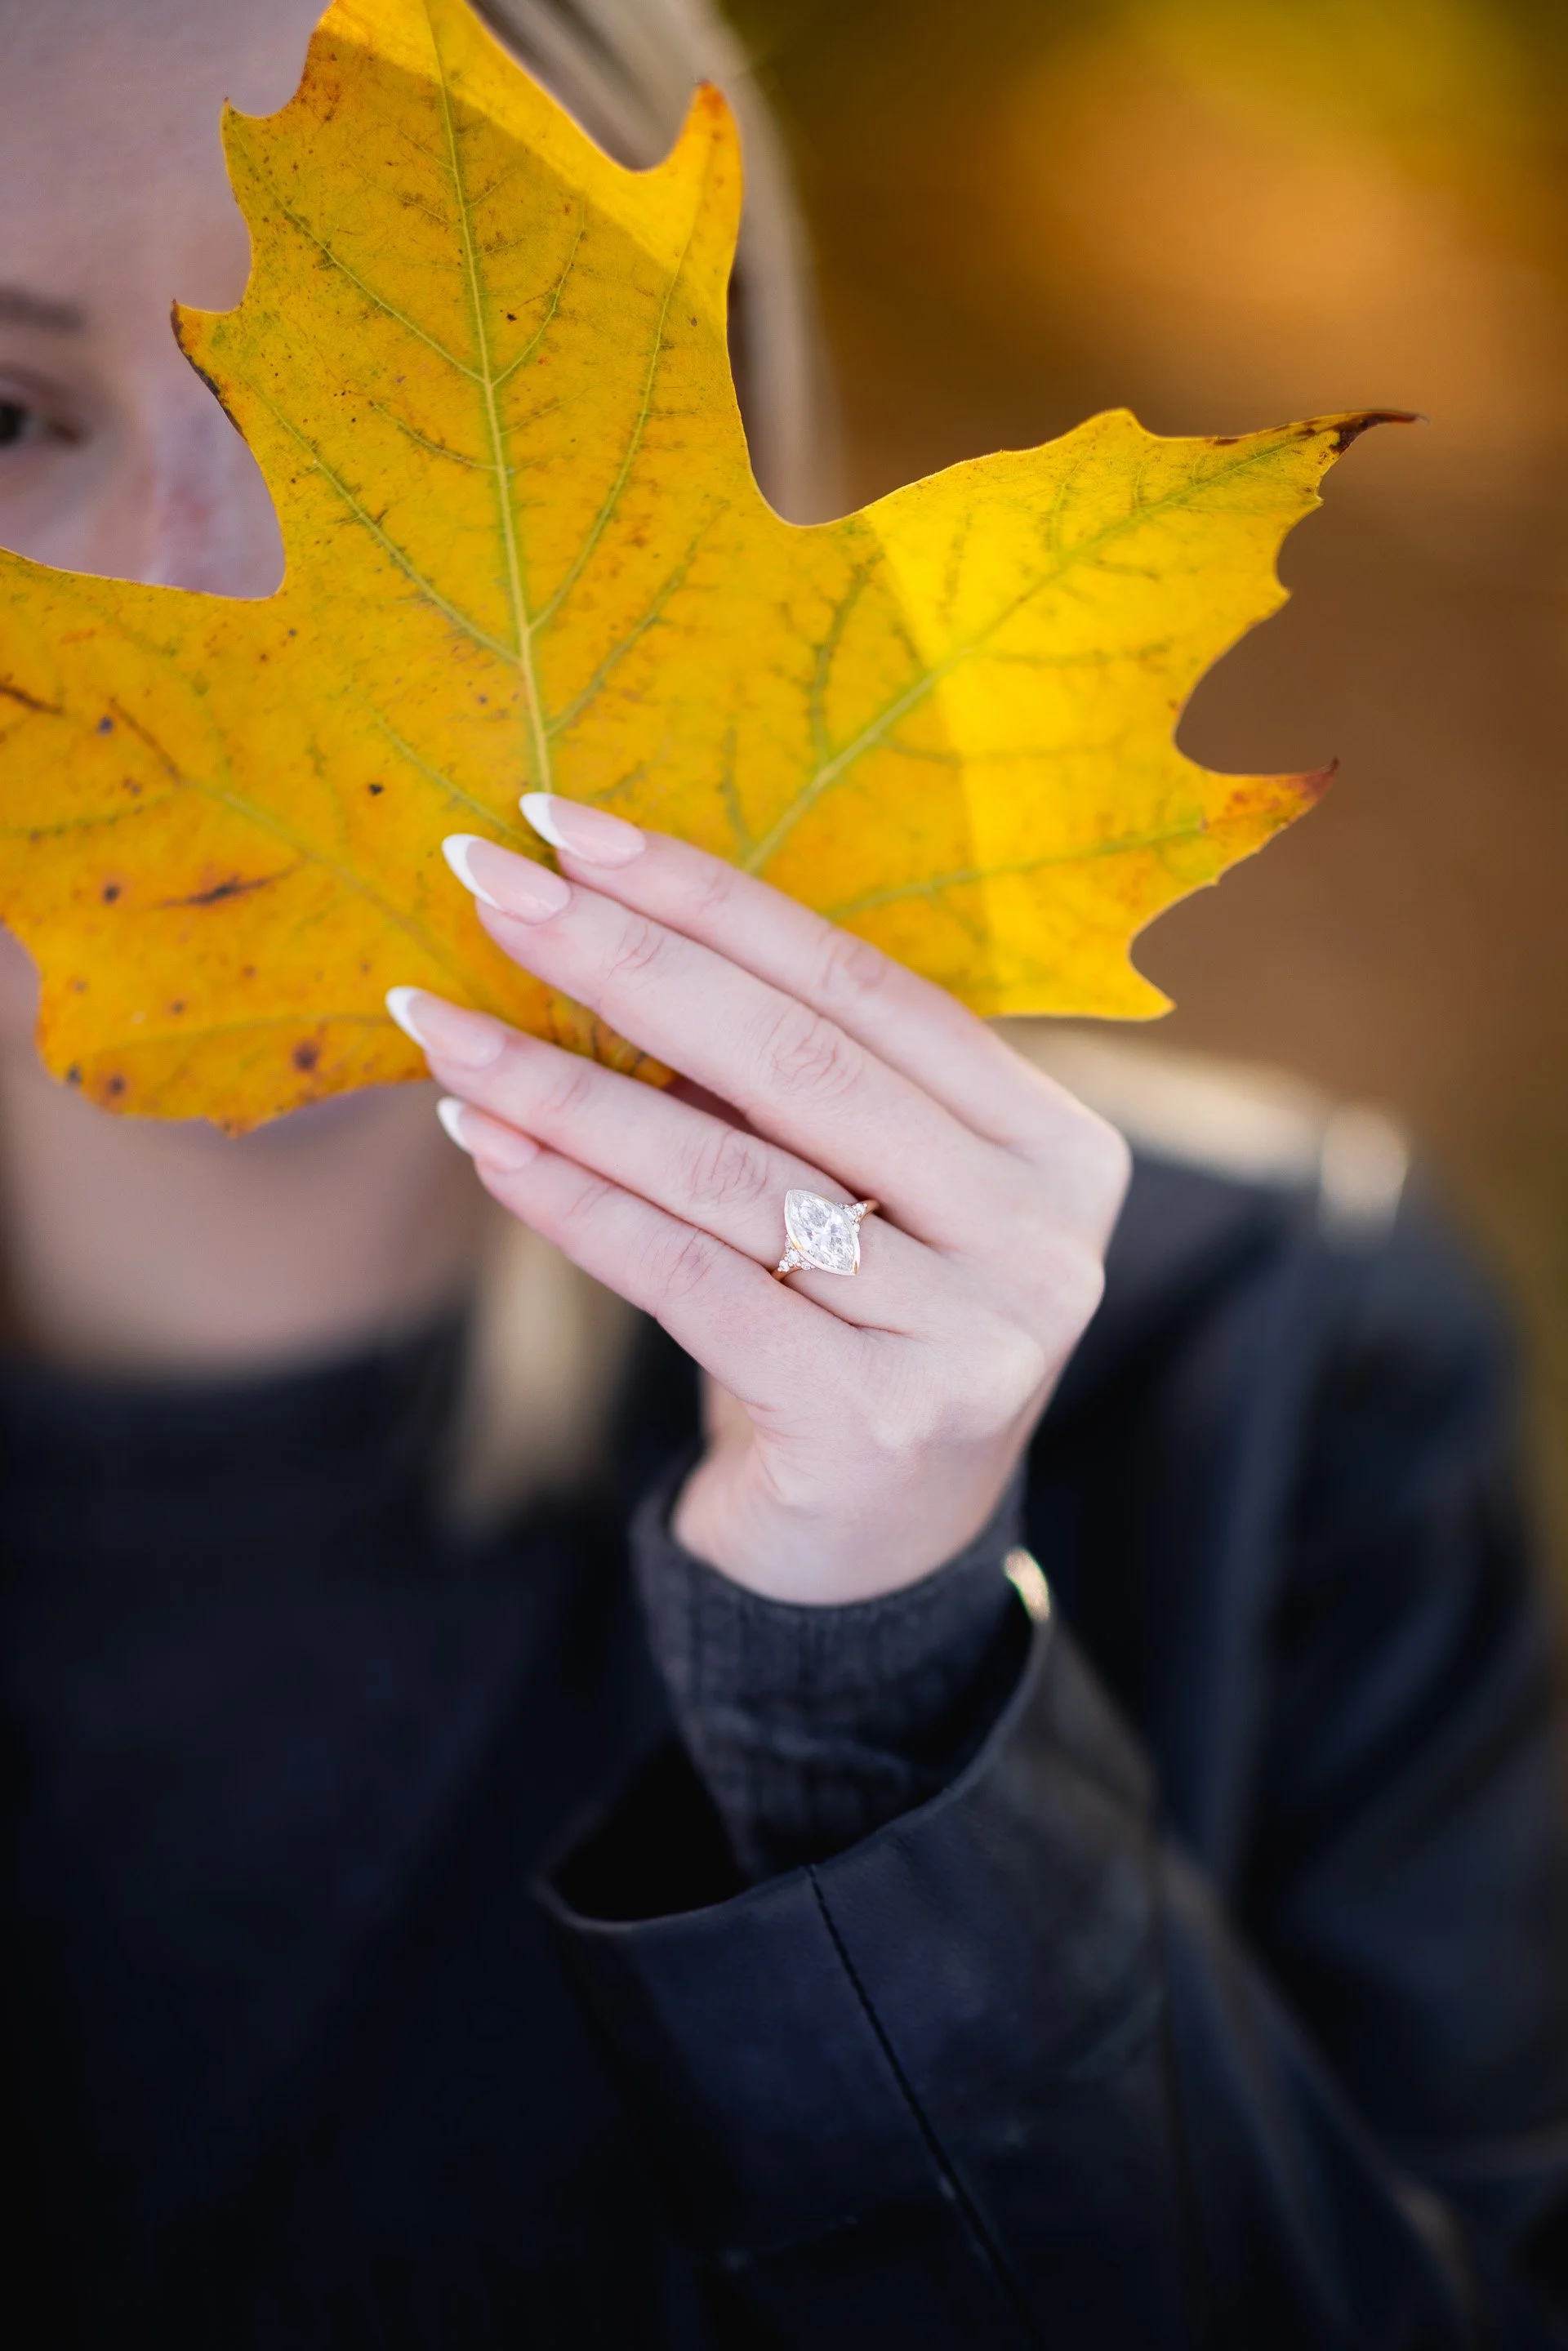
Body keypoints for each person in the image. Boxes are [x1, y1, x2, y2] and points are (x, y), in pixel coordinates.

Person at [2, 2, 1566, 2344]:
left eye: (333, 400)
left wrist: (891, 1697)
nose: (201, 576)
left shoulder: (1255, 1370)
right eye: (4, 415)